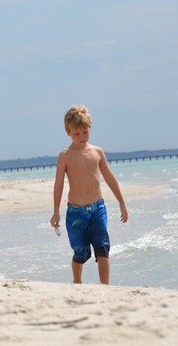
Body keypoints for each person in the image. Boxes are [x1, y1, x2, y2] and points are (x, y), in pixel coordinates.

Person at [51, 104, 128, 285]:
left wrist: (121, 202)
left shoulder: (97, 152)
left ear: (89, 129)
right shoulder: (65, 156)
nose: (82, 137)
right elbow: (59, 185)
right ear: (68, 131)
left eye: (85, 132)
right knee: (81, 252)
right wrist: (56, 211)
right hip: (76, 212)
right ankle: (77, 282)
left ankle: (105, 287)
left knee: (102, 247)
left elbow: (109, 178)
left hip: (97, 209)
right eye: (77, 133)